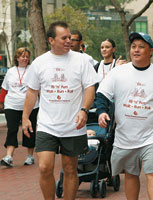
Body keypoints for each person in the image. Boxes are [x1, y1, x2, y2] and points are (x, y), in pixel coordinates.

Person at [95, 32, 153, 200]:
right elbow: (102, 94)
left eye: (141, 47)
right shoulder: (118, 73)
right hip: (125, 137)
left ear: (151, 50)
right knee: (131, 174)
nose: (136, 50)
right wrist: (102, 112)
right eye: (133, 47)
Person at [22, 21, 98, 200]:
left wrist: (84, 110)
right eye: (64, 38)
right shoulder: (40, 63)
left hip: (73, 125)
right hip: (47, 125)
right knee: (44, 167)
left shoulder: (81, 60)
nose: (68, 41)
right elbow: (32, 91)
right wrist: (25, 117)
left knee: (70, 168)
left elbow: (90, 87)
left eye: (69, 37)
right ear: (51, 40)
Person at [0, 47, 39, 167]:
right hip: (12, 105)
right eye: (23, 56)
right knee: (12, 129)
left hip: (31, 105)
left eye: (27, 56)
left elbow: (38, 88)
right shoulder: (11, 71)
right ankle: (9, 156)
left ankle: (29, 156)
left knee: (29, 130)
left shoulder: (33, 70)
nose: (25, 59)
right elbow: (4, 88)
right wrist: (1, 102)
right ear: (17, 58)